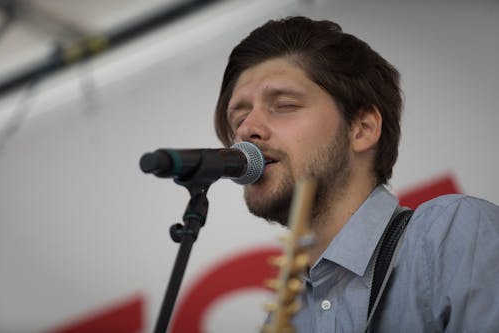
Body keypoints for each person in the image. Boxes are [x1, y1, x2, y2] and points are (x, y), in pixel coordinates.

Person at [214, 16, 499, 332]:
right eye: (238, 119)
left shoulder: (449, 236)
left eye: (284, 105)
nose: (247, 130)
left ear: (362, 129)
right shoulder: (285, 318)